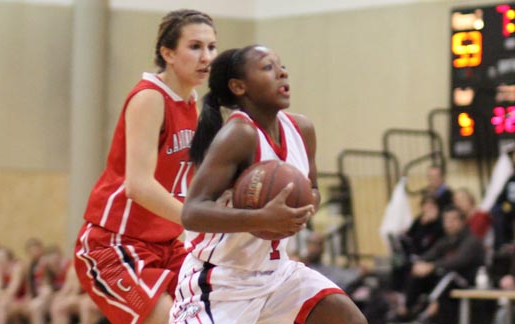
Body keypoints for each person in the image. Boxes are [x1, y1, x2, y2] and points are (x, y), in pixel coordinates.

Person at [169, 45, 367, 324]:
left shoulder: (302, 129)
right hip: (220, 281)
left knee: (347, 318)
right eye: (268, 67)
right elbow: (192, 213)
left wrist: (301, 208)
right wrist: (261, 218)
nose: (282, 72)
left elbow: (313, 190)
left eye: (281, 66)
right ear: (239, 86)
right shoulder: (239, 134)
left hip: (276, 275)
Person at [73, 9, 217, 324]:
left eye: (211, 46)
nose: (206, 56)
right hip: (114, 245)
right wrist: (201, 219)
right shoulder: (150, 98)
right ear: (168, 53)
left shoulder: (193, 105)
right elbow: (138, 186)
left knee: (224, 303)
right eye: (195, 46)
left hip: (166, 245)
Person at [394, 206, 485, 323]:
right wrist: (420, 264)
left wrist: (432, 266)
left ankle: (428, 314)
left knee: (447, 278)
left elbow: (459, 261)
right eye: (446, 220)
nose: (449, 224)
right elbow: (430, 254)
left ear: (463, 221)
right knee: (419, 273)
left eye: (453, 220)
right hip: (447, 279)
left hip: (468, 281)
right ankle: (406, 310)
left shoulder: (472, 240)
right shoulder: (446, 240)